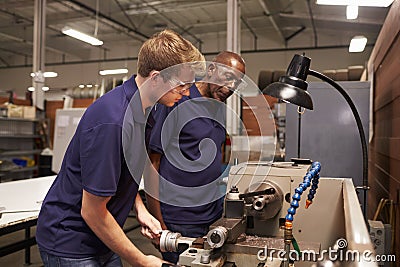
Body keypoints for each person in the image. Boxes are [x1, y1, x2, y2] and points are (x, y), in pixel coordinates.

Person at [36, 29, 204, 267]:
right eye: (182, 86)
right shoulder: (113, 122)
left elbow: (120, 172)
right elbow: (92, 211)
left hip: (102, 234)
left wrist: (141, 210)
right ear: (156, 78)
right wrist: (143, 261)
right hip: (72, 241)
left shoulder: (147, 109)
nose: (187, 93)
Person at [145, 51, 246, 263]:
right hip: (179, 218)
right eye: (228, 77)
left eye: (237, 82)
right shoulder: (177, 99)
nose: (231, 88)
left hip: (212, 214)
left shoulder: (218, 105)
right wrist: (159, 225)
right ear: (211, 70)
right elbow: (152, 164)